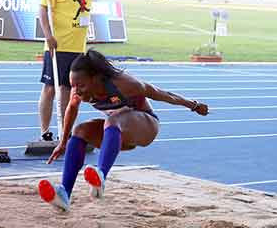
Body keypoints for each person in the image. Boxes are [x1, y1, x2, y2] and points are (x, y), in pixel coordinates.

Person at [38, 49, 209, 211]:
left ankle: (101, 177)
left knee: (114, 119)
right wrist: (62, 143)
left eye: (80, 85)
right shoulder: (79, 92)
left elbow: (163, 94)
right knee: (80, 130)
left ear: (96, 78)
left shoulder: (125, 84)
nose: (76, 91)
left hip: (145, 126)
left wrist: (193, 105)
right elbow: (71, 109)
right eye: (72, 85)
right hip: (118, 134)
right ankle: (64, 194)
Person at [36, 0, 93, 144]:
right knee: (50, 89)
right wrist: (48, 35)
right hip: (57, 45)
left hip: (78, 47)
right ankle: (45, 131)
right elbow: (42, 9)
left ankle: (65, 131)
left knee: (70, 92)